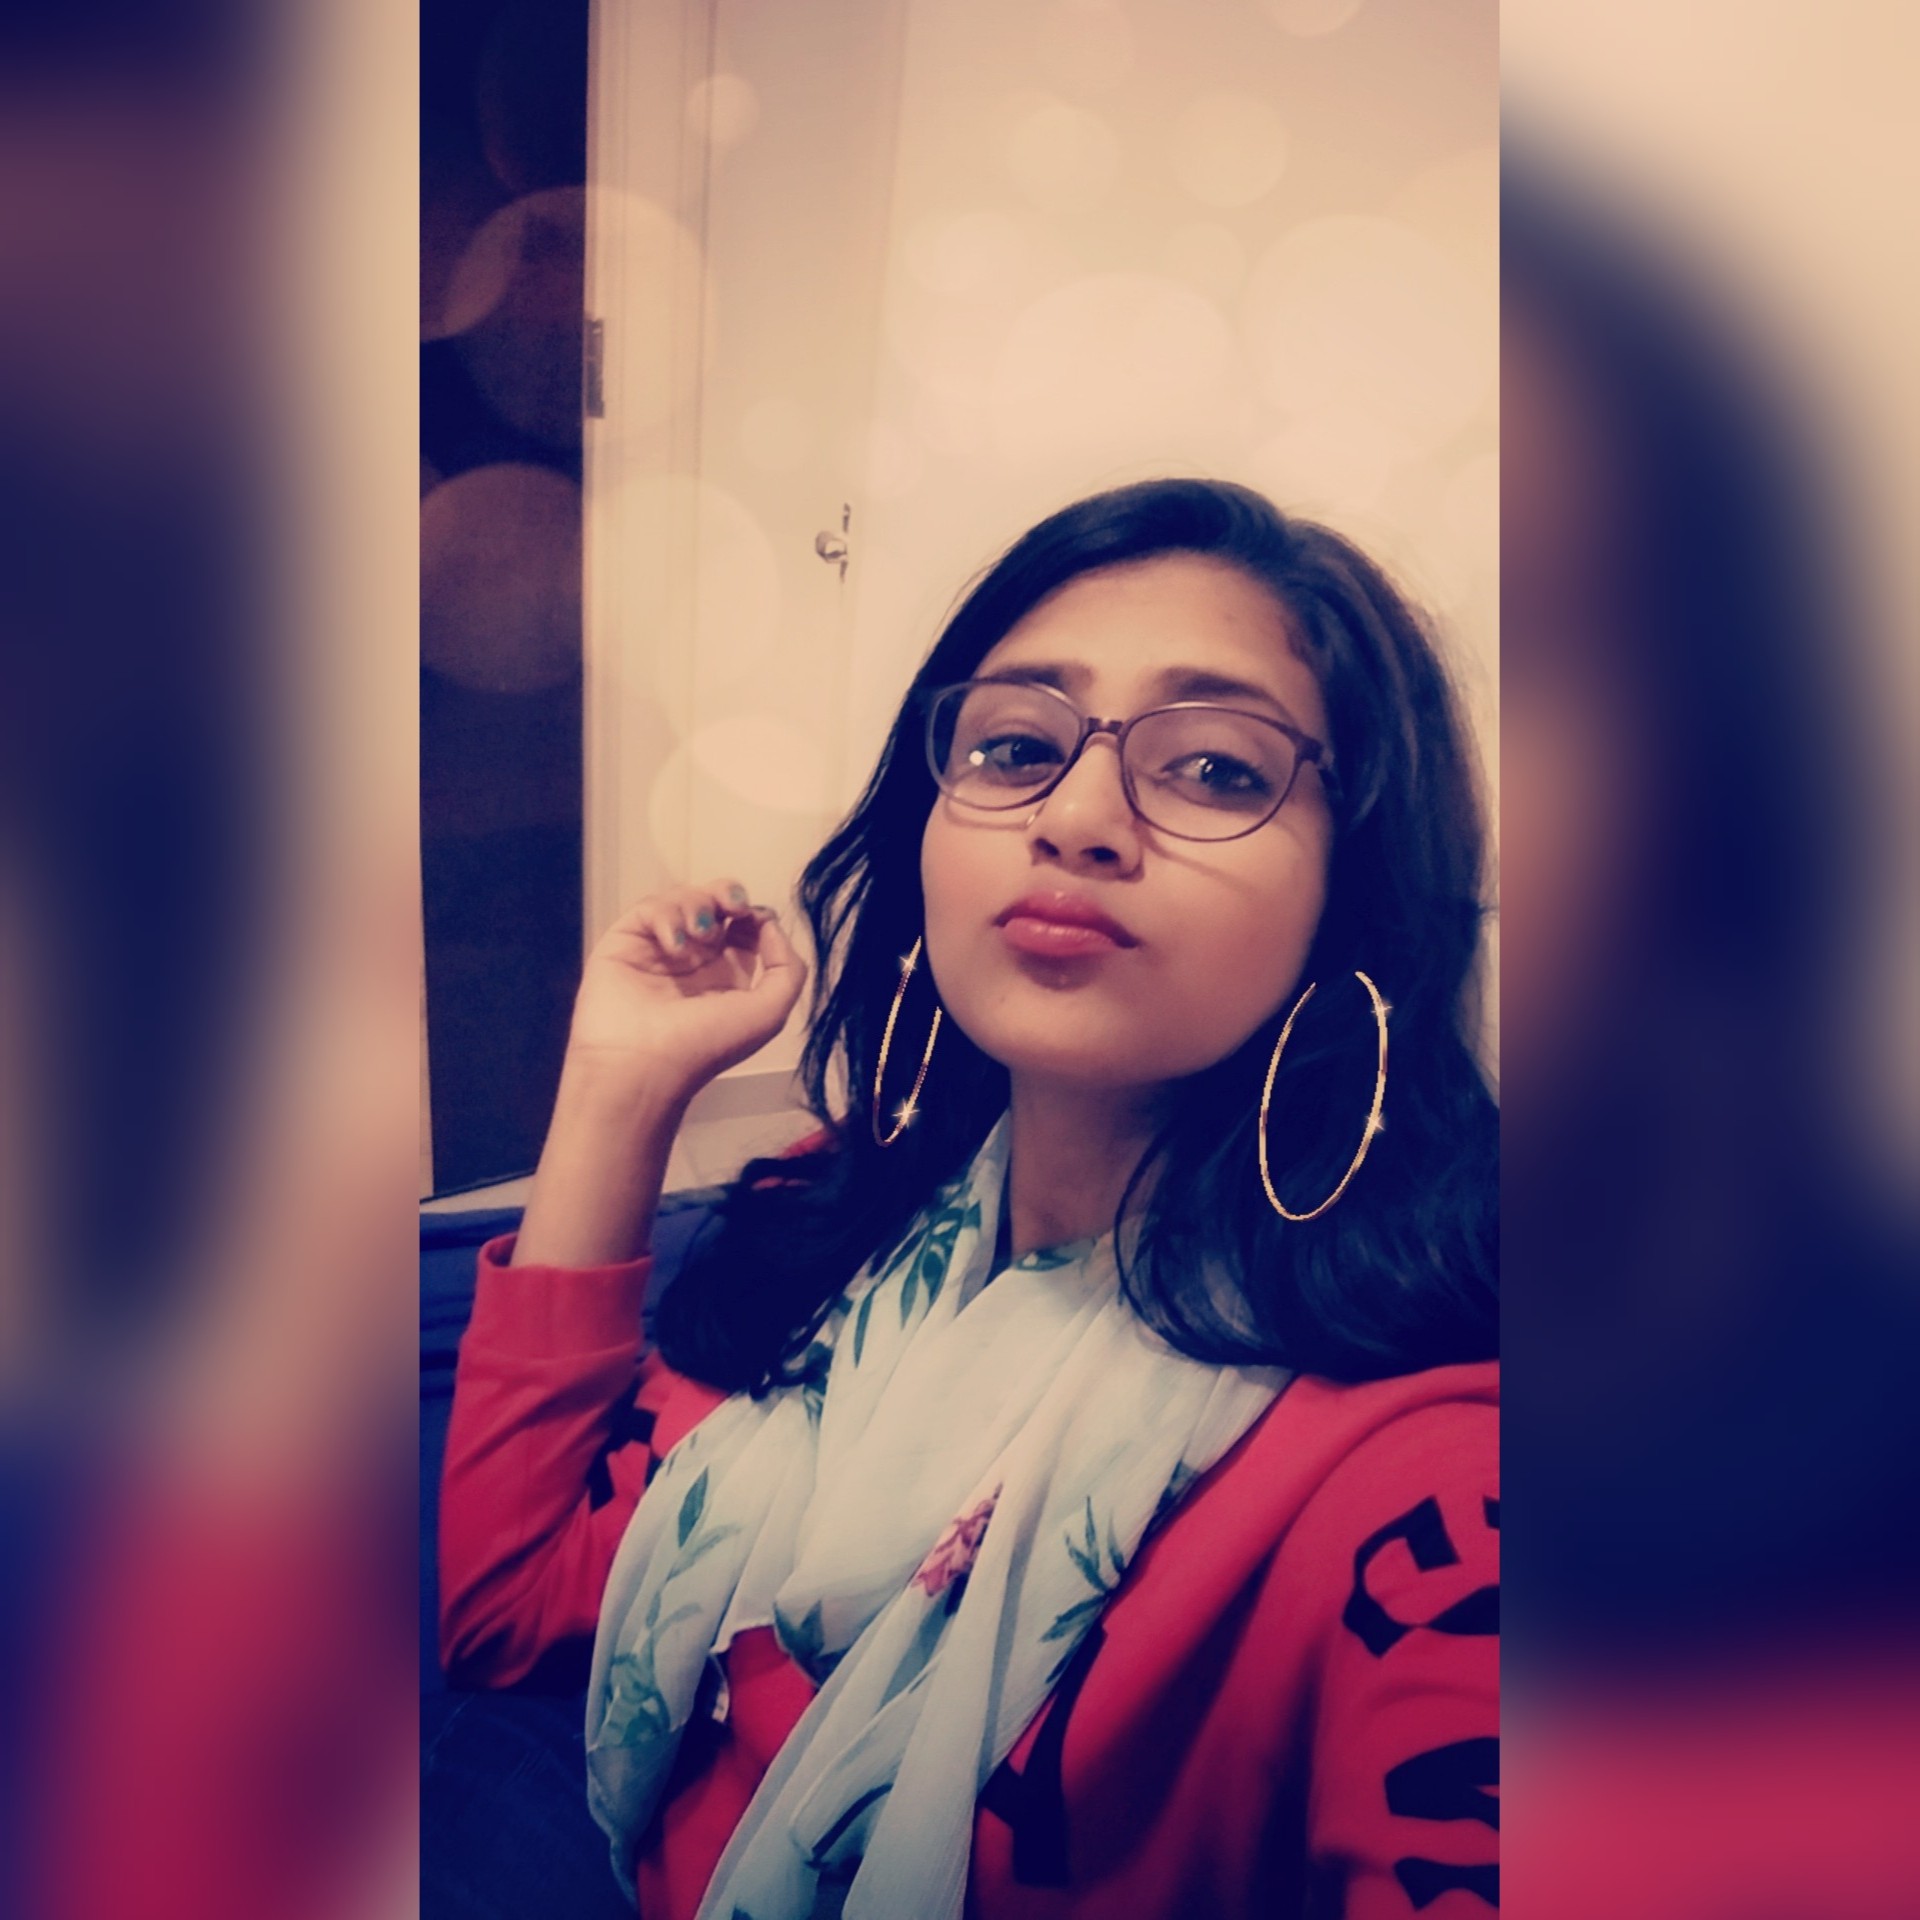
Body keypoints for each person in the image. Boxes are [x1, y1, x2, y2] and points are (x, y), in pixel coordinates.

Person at [439, 478, 1499, 1920]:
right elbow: (506, 1612)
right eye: (1016, 746)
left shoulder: (1423, 1460)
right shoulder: (839, 1223)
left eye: (1214, 768)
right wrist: (621, 1084)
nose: (1076, 816)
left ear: (1353, 892)